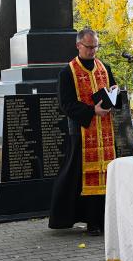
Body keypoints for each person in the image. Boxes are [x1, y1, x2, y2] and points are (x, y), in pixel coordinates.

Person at [49, 28, 117, 236]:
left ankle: (106, 219)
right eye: (88, 46)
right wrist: (91, 111)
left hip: (105, 133)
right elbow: (66, 104)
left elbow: (113, 89)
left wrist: (115, 96)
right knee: (79, 175)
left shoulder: (104, 67)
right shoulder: (67, 71)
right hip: (81, 131)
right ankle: (91, 221)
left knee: (107, 174)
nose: (92, 50)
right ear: (78, 45)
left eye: (95, 46)